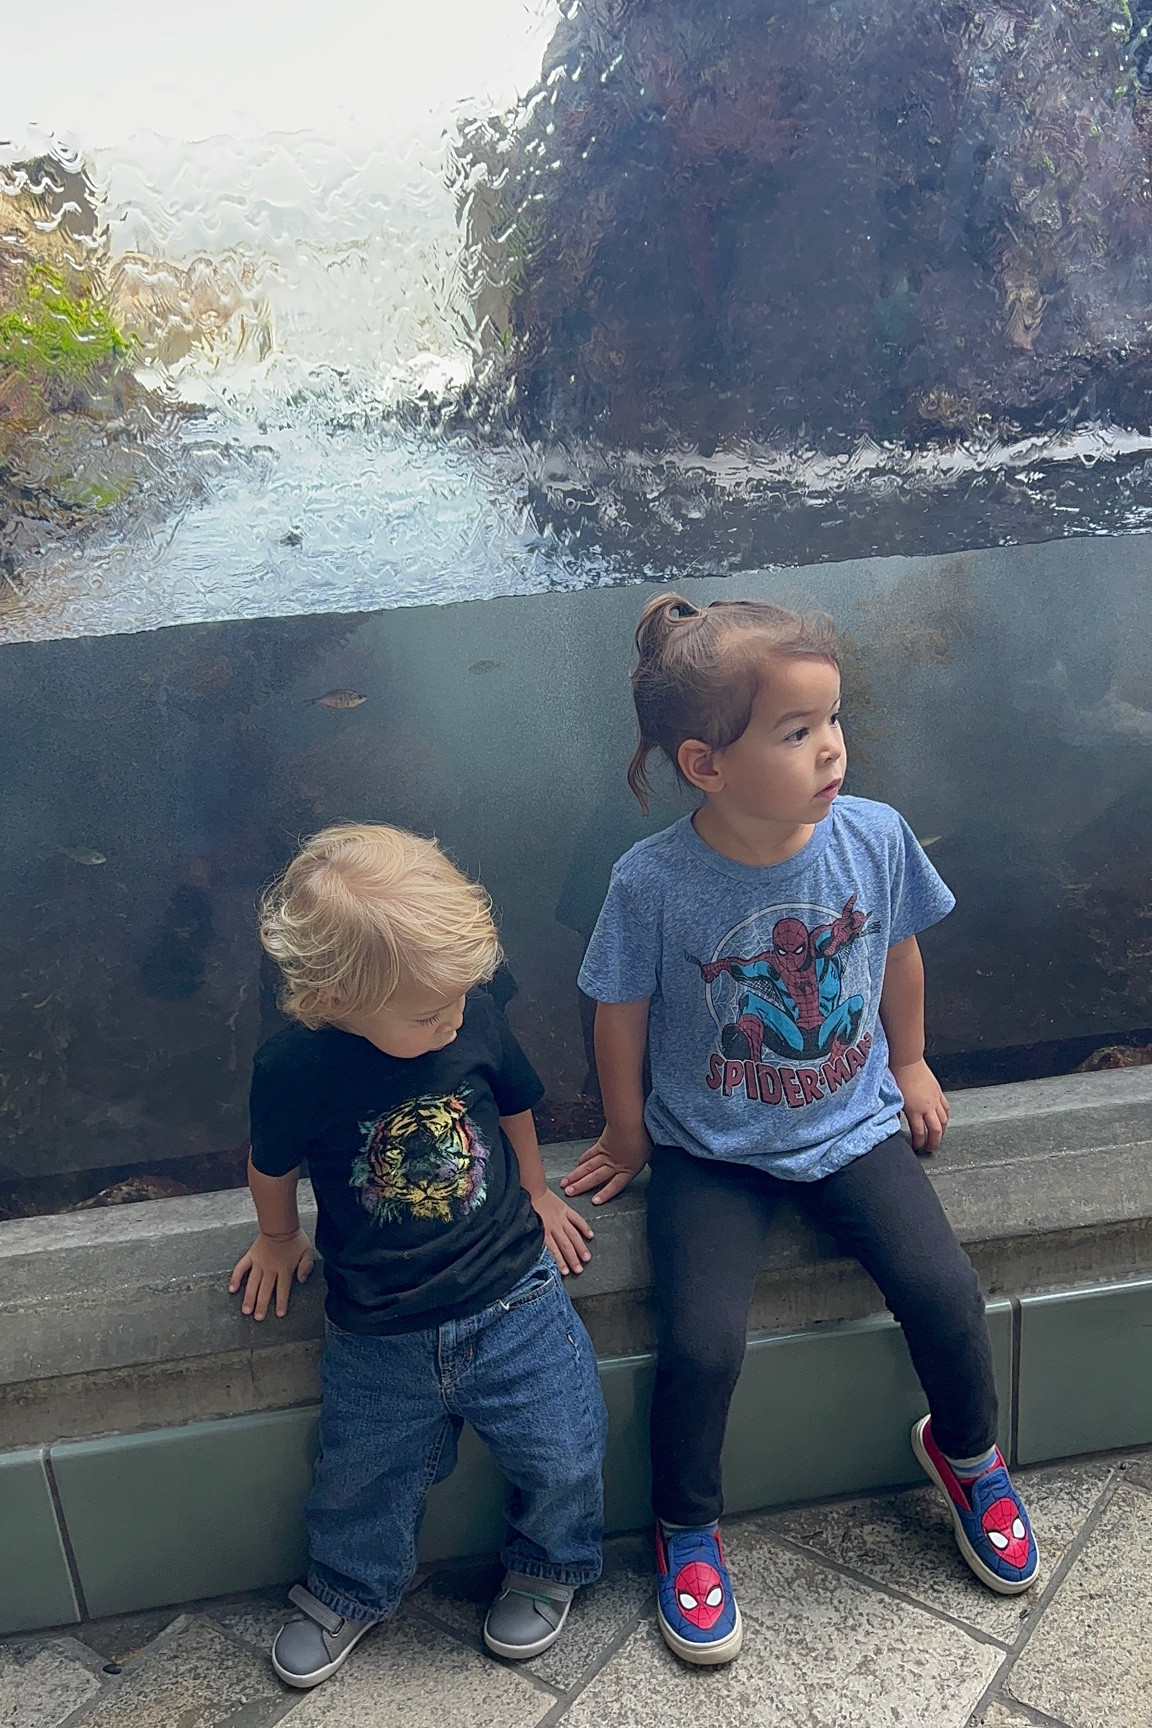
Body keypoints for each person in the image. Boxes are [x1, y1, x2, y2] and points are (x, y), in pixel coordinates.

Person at [562, 594, 1038, 1666]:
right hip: (711, 1151)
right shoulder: (652, 881)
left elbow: (900, 952)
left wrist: (908, 1061)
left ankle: (968, 1455)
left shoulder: (874, 835)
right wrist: (629, 1135)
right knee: (700, 1345)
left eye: (832, 719)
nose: (832, 747)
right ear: (706, 765)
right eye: (796, 731)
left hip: (852, 1123)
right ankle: (686, 1527)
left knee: (946, 1292)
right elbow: (617, 1010)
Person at [230, 823, 607, 1688]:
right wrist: (280, 1236)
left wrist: (538, 1188)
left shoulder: (466, 1012)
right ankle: (349, 1589)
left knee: (564, 1445)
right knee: (359, 1475)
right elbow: (270, 1162)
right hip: (378, 1327)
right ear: (333, 996)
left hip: (513, 1296)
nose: (454, 1021)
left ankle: (550, 1563)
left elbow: (512, 1102)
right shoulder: (294, 1066)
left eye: (461, 999)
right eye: (428, 1013)